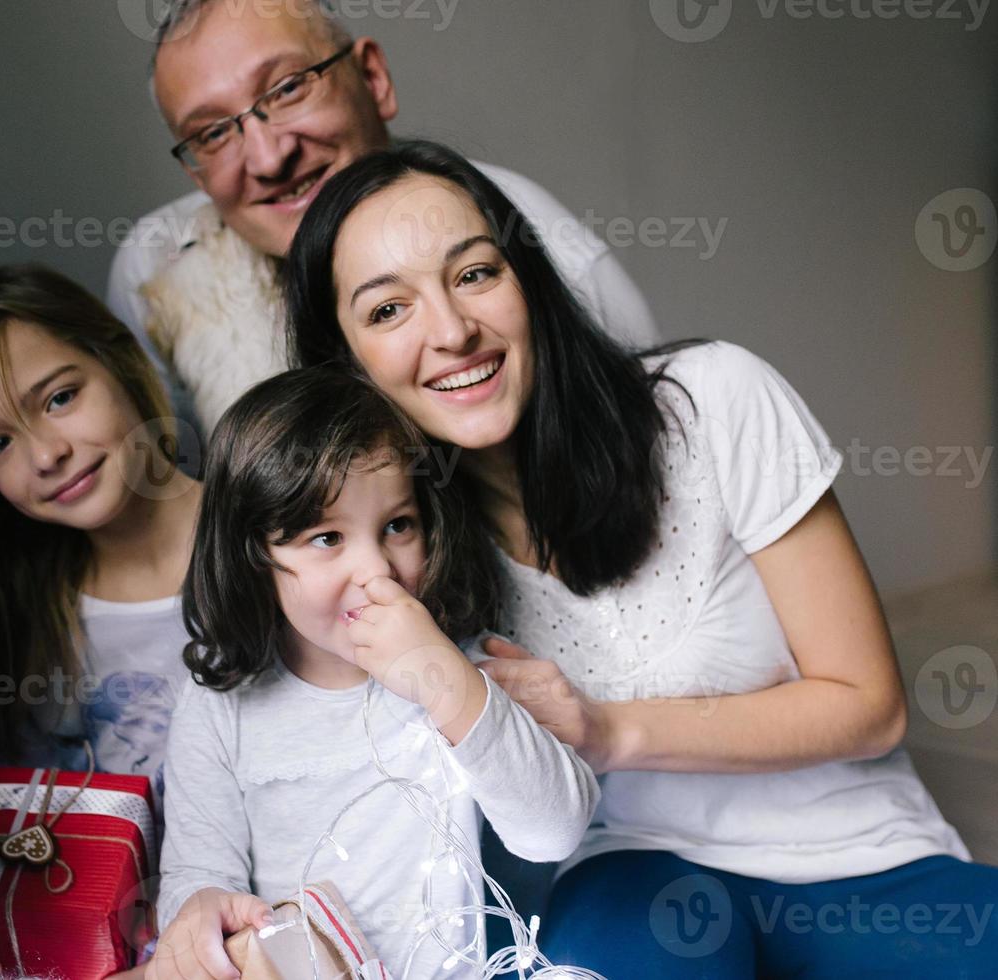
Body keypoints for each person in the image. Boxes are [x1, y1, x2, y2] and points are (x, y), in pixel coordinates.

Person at [283, 139, 998, 977]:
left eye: (475, 273)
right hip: (626, 875)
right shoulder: (391, 548)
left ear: (529, 283)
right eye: (386, 310)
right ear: (345, 365)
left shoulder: (717, 399)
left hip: (862, 856)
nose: (450, 332)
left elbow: (869, 704)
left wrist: (608, 729)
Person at [148, 367, 599, 979]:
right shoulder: (220, 707)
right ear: (253, 559)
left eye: (397, 526)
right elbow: (197, 875)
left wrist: (450, 681)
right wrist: (200, 908)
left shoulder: (458, 667)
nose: (377, 570)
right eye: (327, 537)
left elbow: (555, 831)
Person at [107, 0, 658, 443]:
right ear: (197, 175)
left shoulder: (516, 231)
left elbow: (647, 439)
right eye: (212, 132)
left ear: (372, 78)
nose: (270, 158)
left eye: (288, 88)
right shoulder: (156, 271)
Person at [0, 264, 202, 978]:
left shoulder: (276, 547)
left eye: (61, 397)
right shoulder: (29, 621)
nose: (46, 454)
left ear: (120, 362)